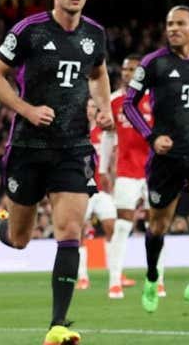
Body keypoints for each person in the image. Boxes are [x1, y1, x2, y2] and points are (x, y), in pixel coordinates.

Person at [0, 0, 114, 345]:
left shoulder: (95, 35)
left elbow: (99, 73)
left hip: (73, 147)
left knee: (70, 230)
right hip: (28, 146)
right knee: (19, 239)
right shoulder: (29, 31)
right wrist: (27, 109)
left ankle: (57, 325)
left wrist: (103, 109)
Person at [123, 5, 189, 322]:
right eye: (169, 23)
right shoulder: (153, 63)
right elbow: (130, 103)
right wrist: (150, 136)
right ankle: (151, 276)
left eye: (180, 23)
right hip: (165, 157)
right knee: (158, 225)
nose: (173, 28)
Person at [108, 55, 160, 299]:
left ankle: (157, 279)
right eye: (125, 69)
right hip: (126, 172)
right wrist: (102, 170)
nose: (127, 72)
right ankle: (114, 281)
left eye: (132, 69)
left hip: (153, 172)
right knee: (122, 225)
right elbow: (106, 133)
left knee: (156, 226)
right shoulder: (114, 101)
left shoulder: (156, 99)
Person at [76, 100, 118, 294]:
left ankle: (115, 274)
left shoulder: (105, 132)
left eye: (94, 106)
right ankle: (83, 277)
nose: (90, 109)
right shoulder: (76, 131)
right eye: (88, 106)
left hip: (102, 189)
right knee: (79, 233)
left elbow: (114, 155)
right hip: (81, 189)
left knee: (112, 228)